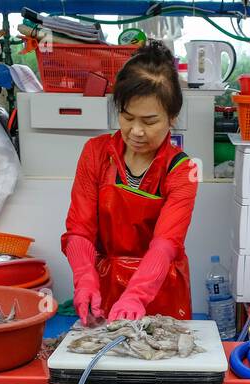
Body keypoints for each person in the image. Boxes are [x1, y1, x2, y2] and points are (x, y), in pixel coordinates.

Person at [62, 41, 197, 326]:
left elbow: (165, 243)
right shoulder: (95, 153)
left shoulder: (183, 169)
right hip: (105, 286)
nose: (136, 131)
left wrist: (136, 295)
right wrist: (84, 278)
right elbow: (80, 231)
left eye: (149, 121)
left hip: (161, 291)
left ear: (172, 118)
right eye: (127, 117)